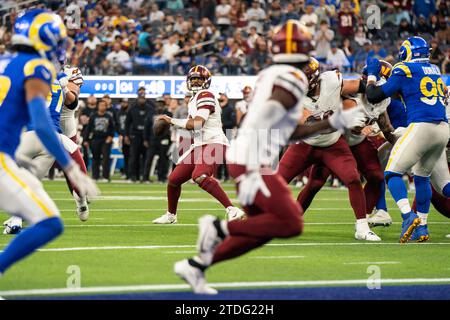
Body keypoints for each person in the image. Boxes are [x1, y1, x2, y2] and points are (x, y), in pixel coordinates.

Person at [173, 20, 366, 294]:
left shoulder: (270, 73)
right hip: (251, 158)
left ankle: (196, 266)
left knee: (259, 230)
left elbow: (285, 126)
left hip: (249, 154)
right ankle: (217, 229)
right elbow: (286, 128)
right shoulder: (294, 78)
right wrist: (337, 122)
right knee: (291, 223)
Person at [0, 9, 98, 274]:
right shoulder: (38, 67)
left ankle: (16, 216)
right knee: (50, 222)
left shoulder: (9, 63)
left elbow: (72, 100)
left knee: (32, 181)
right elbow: (42, 124)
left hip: (23, 144)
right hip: (14, 149)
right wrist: (71, 167)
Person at [277, 57, 382, 241]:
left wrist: (376, 93)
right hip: (306, 144)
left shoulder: (332, 80)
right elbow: (310, 123)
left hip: (332, 144)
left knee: (353, 179)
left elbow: (360, 87)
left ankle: (362, 227)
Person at [366, 36, 449, 243]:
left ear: (408, 51)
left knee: (391, 172)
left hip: (422, 126)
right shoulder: (435, 69)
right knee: (430, 181)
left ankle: (407, 216)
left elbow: (374, 95)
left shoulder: (404, 68)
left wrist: (372, 76)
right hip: (443, 129)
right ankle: (422, 227)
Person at [153, 65, 245, 224]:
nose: (195, 82)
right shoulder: (194, 99)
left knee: (200, 176)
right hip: (199, 145)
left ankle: (232, 209)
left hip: (214, 142)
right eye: (193, 79)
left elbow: (197, 124)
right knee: (174, 180)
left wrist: (171, 121)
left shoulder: (206, 95)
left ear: (206, 81)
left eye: (199, 79)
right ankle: (171, 215)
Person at [125, 88, 154, 182]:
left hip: (146, 136)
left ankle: (144, 177)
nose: (142, 99)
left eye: (143, 98)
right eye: (140, 98)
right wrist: (126, 135)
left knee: (146, 157)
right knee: (134, 156)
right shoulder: (132, 108)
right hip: (135, 135)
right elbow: (127, 123)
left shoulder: (150, 108)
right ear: (138, 98)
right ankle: (133, 176)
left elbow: (151, 123)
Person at [83, 99, 115, 181]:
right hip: (95, 139)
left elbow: (112, 128)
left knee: (105, 158)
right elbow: (88, 128)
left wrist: (110, 137)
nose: (102, 107)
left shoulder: (109, 116)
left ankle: (105, 176)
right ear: (98, 106)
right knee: (95, 158)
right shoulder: (93, 116)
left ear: (106, 106)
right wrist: (85, 140)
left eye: (104, 105)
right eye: (101, 105)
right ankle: (95, 176)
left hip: (105, 139)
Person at [143, 97, 172, 183]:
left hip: (164, 139)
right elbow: (146, 127)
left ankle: (162, 177)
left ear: (164, 104)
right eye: (159, 103)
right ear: (156, 104)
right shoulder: (151, 113)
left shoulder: (168, 114)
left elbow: (171, 127)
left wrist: (169, 139)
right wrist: (145, 139)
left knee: (163, 159)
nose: (160, 105)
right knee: (149, 159)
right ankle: (145, 177)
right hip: (153, 139)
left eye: (162, 103)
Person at [117, 98, 130, 179]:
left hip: (129, 136)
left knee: (131, 155)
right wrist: (120, 134)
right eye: (122, 102)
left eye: (125, 102)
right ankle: (126, 172)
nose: (124, 104)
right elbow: (117, 125)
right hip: (122, 136)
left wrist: (127, 135)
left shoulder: (130, 112)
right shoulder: (118, 113)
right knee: (125, 155)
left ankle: (130, 173)